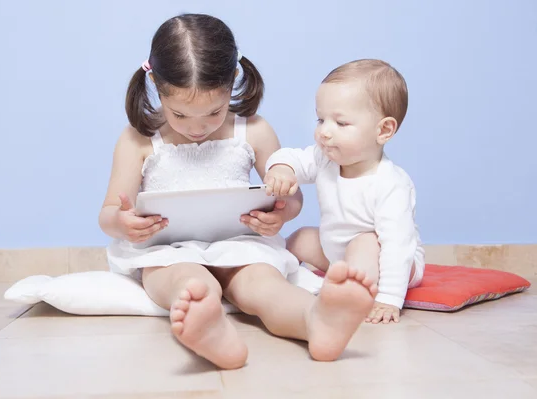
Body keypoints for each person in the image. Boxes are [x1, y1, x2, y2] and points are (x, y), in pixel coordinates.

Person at [99, 14, 377, 369]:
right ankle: (210, 324)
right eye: (180, 115)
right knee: (188, 281)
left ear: (233, 79)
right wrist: (122, 223)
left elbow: (290, 198)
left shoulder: (255, 132)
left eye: (213, 112)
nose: (197, 128)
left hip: (241, 245)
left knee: (263, 285)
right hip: (166, 252)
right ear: (154, 82)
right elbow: (108, 212)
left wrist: (280, 213)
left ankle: (316, 320)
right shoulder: (137, 140)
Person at [264, 59, 424, 324]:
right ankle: (281, 281)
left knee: (365, 241)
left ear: (383, 130)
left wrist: (389, 298)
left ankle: (349, 295)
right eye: (321, 119)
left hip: (390, 263)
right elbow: (293, 158)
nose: (324, 132)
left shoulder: (390, 183)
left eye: (341, 123)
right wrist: (281, 169)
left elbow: (398, 245)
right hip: (336, 252)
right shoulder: (326, 159)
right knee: (299, 238)